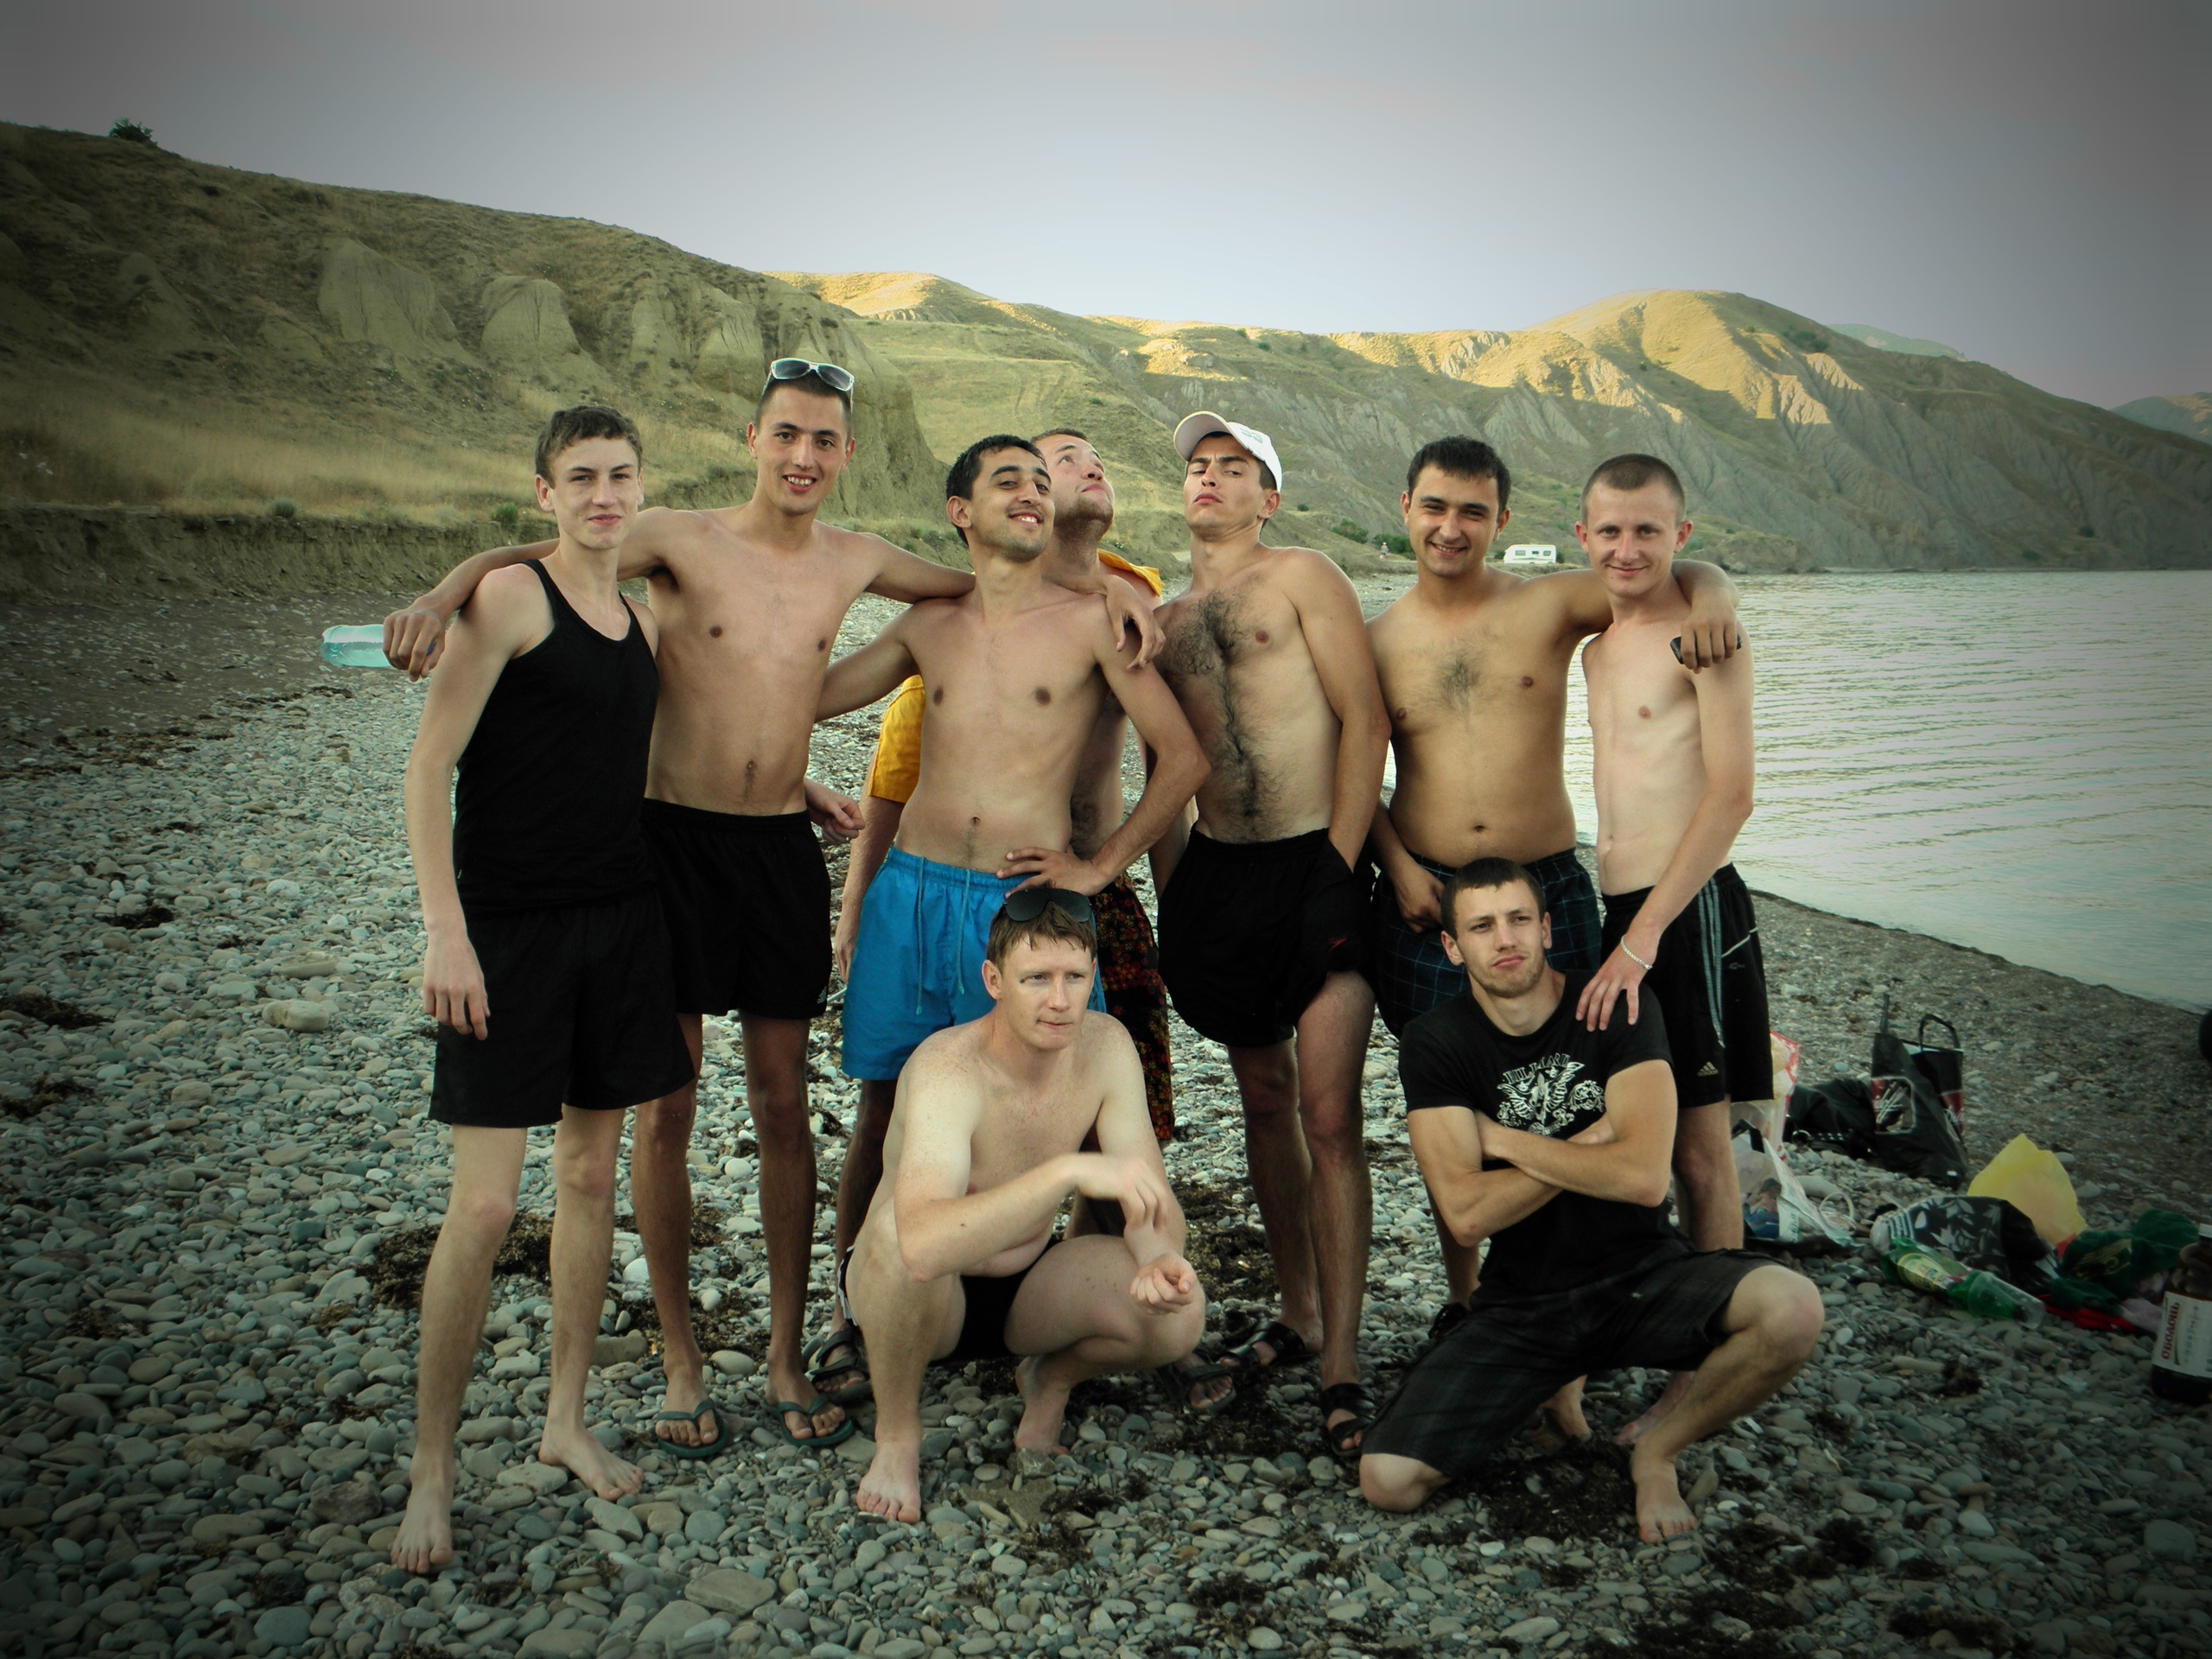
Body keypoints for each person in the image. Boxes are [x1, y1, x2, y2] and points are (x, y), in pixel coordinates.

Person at [382, 365, 1159, 1454]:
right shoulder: (674, 537)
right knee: (667, 1110)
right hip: (665, 844)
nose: (803, 456)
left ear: (845, 455)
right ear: (752, 438)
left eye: (824, 440)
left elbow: (990, 574)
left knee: (784, 1103)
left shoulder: (858, 558)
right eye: (786, 434)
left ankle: (792, 1351)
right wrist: (442, 592)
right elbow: (545, 554)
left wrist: (1106, 588)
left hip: (775, 852)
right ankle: (681, 1358)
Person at [390, 406, 695, 1573]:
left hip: (620, 923)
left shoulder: (643, 617)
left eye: (620, 475)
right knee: (481, 1210)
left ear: (640, 486)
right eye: (581, 478)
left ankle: (565, 1419)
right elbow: (429, 766)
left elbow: (633, 766)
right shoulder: (512, 600)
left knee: (587, 1176)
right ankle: (432, 1470)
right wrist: (446, 933)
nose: (604, 495)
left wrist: (802, 791)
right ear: (545, 495)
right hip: (506, 934)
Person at [1366, 435, 1742, 1337]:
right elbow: (1344, 768)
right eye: (1434, 506)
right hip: (1429, 897)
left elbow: (1654, 570)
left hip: (1548, 892)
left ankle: (1582, 1288)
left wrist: (1719, 592)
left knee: (1575, 1088)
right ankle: (1467, 1299)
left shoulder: (1548, 603)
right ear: (1405, 509)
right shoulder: (1373, 641)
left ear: (1502, 520)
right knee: (1452, 1099)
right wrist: (1396, 863)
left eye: (1472, 511)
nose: (1450, 527)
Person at [1358, 859, 1821, 1539]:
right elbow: (1466, 1215)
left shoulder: (1614, 1005)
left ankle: (1657, 1451)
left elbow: (1642, 1178)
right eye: (1481, 927)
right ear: (1453, 947)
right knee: (1388, 1480)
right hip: (1524, 1306)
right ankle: (1548, 1390)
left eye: (1519, 919)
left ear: (1547, 928)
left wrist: (1504, 1141)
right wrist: (1594, 1137)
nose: (1504, 939)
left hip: (1644, 1277)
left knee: (1792, 1308)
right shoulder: (1436, 1042)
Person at [818, 435, 1207, 1107]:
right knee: (886, 1107)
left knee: (1026, 1110)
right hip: (910, 893)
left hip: (1022, 901)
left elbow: (1184, 758)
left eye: (1039, 482)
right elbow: (811, 701)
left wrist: (1100, 867)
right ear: (961, 511)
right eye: (1008, 481)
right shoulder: (927, 624)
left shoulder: (1094, 623)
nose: (1031, 493)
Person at [1149, 412, 1391, 1458]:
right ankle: (1297, 1311)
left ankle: (1343, 1362)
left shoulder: (1303, 576)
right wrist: (1173, 893)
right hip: (1219, 872)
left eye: (1234, 468)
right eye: (1199, 468)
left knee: (1331, 1116)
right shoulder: (1161, 618)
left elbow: (1365, 719)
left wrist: (1341, 866)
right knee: (1263, 1097)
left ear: (1269, 497)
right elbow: (1165, 765)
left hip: (1314, 858)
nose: (1210, 479)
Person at [842, 891, 1205, 1523]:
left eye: (1074, 978)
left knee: (1182, 1316)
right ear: (994, 981)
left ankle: (1049, 1379)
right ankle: (896, 1435)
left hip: (1027, 1287)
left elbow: (1153, 1200)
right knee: (897, 1242)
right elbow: (923, 1247)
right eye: (1036, 978)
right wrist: (1064, 1171)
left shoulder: (1106, 1046)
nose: (1059, 1001)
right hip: (926, 1293)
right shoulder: (948, 1068)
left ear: (1093, 976)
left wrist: (1154, 1255)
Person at [1577, 451, 1771, 1442]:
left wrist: (1645, 936)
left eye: (1648, 531)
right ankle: (1654, 1324)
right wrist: (1621, 931)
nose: (1627, 548)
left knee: (1702, 1154)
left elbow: (1731, 796)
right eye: (1609, 530)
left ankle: (1703, 1376)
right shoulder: (1595, 647)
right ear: (1582, 536)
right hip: (1619, 911)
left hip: (1682, 913)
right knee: (1639, 1136)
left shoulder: (1708, 638)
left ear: (1679, 536)